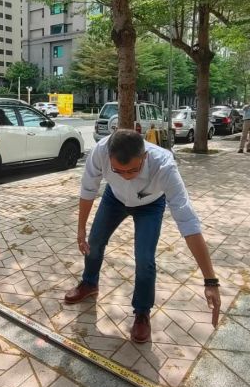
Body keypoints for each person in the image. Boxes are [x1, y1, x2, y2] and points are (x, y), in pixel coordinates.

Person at [64, 129, 222, 343]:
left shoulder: (164, 165)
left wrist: (210, 281)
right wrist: (81, 228)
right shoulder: (100, 151)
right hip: (114, 199)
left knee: (144, 259)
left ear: (145, 156)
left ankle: (142, 312)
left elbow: (188, 221)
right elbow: (88, 189)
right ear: (109, 156)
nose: (127, 177)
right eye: (119, 171)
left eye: (133, 170)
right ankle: (89, 283)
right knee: (94, 241)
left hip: (150, 204)